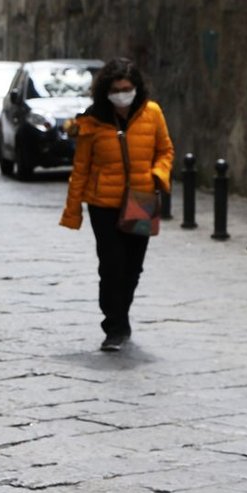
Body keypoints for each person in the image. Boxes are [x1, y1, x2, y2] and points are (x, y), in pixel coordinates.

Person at [58, 57, 174, 352]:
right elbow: (81, 169)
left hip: (141, 200)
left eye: (128, 87)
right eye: (117, 88)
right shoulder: (92, 121)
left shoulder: (152, 113)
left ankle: (121, 317)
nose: (123, 93)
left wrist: (157, 175)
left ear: (136, 88)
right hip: (103, 205)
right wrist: (73, 211)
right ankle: (115, 326)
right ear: (106, 91)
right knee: (111, 266)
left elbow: (165, 150)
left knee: (133, 267)